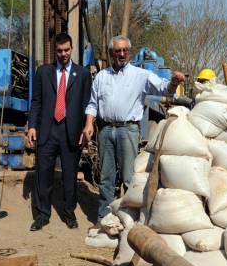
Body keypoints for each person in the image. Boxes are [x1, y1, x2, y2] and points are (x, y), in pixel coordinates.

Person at [82, 35, 185, 223]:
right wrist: (89, 124)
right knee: (106, 177)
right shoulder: (101, 77)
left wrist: (174, 82)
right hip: (105, 131)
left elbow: (164, 89)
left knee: (129, 177)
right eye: (117, 51)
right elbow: (92, 104)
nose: (121, 54)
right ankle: (104, 218)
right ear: (111, 53)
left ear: (129, 52)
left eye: (124, 50)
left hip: (128, 130)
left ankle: (130, 218)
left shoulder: (140, 75)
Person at [27, 33, 92, 231]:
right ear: (54, 51)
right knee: (43, 174)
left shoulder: (82, 74)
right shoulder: (43, 72)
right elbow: (36, 101)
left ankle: (69, 213)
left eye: (66, 50)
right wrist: (31, 126)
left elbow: (87, 103)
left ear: (72, 49)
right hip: (47, 131)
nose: (63, 54)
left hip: (70, 132)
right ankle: (42, 215)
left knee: (70, 176)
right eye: (59, 50)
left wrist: (85, 128)